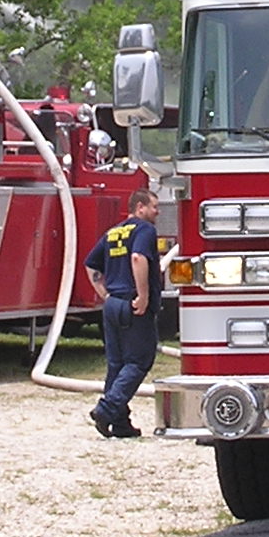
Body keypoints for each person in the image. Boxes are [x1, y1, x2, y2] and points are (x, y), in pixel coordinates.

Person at [82, 187, 162, 438]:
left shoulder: (113, 232)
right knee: (139, 361)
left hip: (113, 303)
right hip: (132, 303)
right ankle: (106, 410)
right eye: (154, 207)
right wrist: (144, 296)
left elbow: (90, 264)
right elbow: (138, 258)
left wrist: (104, 293)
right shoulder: (144, 230)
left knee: (116, 365)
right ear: (140, 207)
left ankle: (120, 423)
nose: (157, 212)